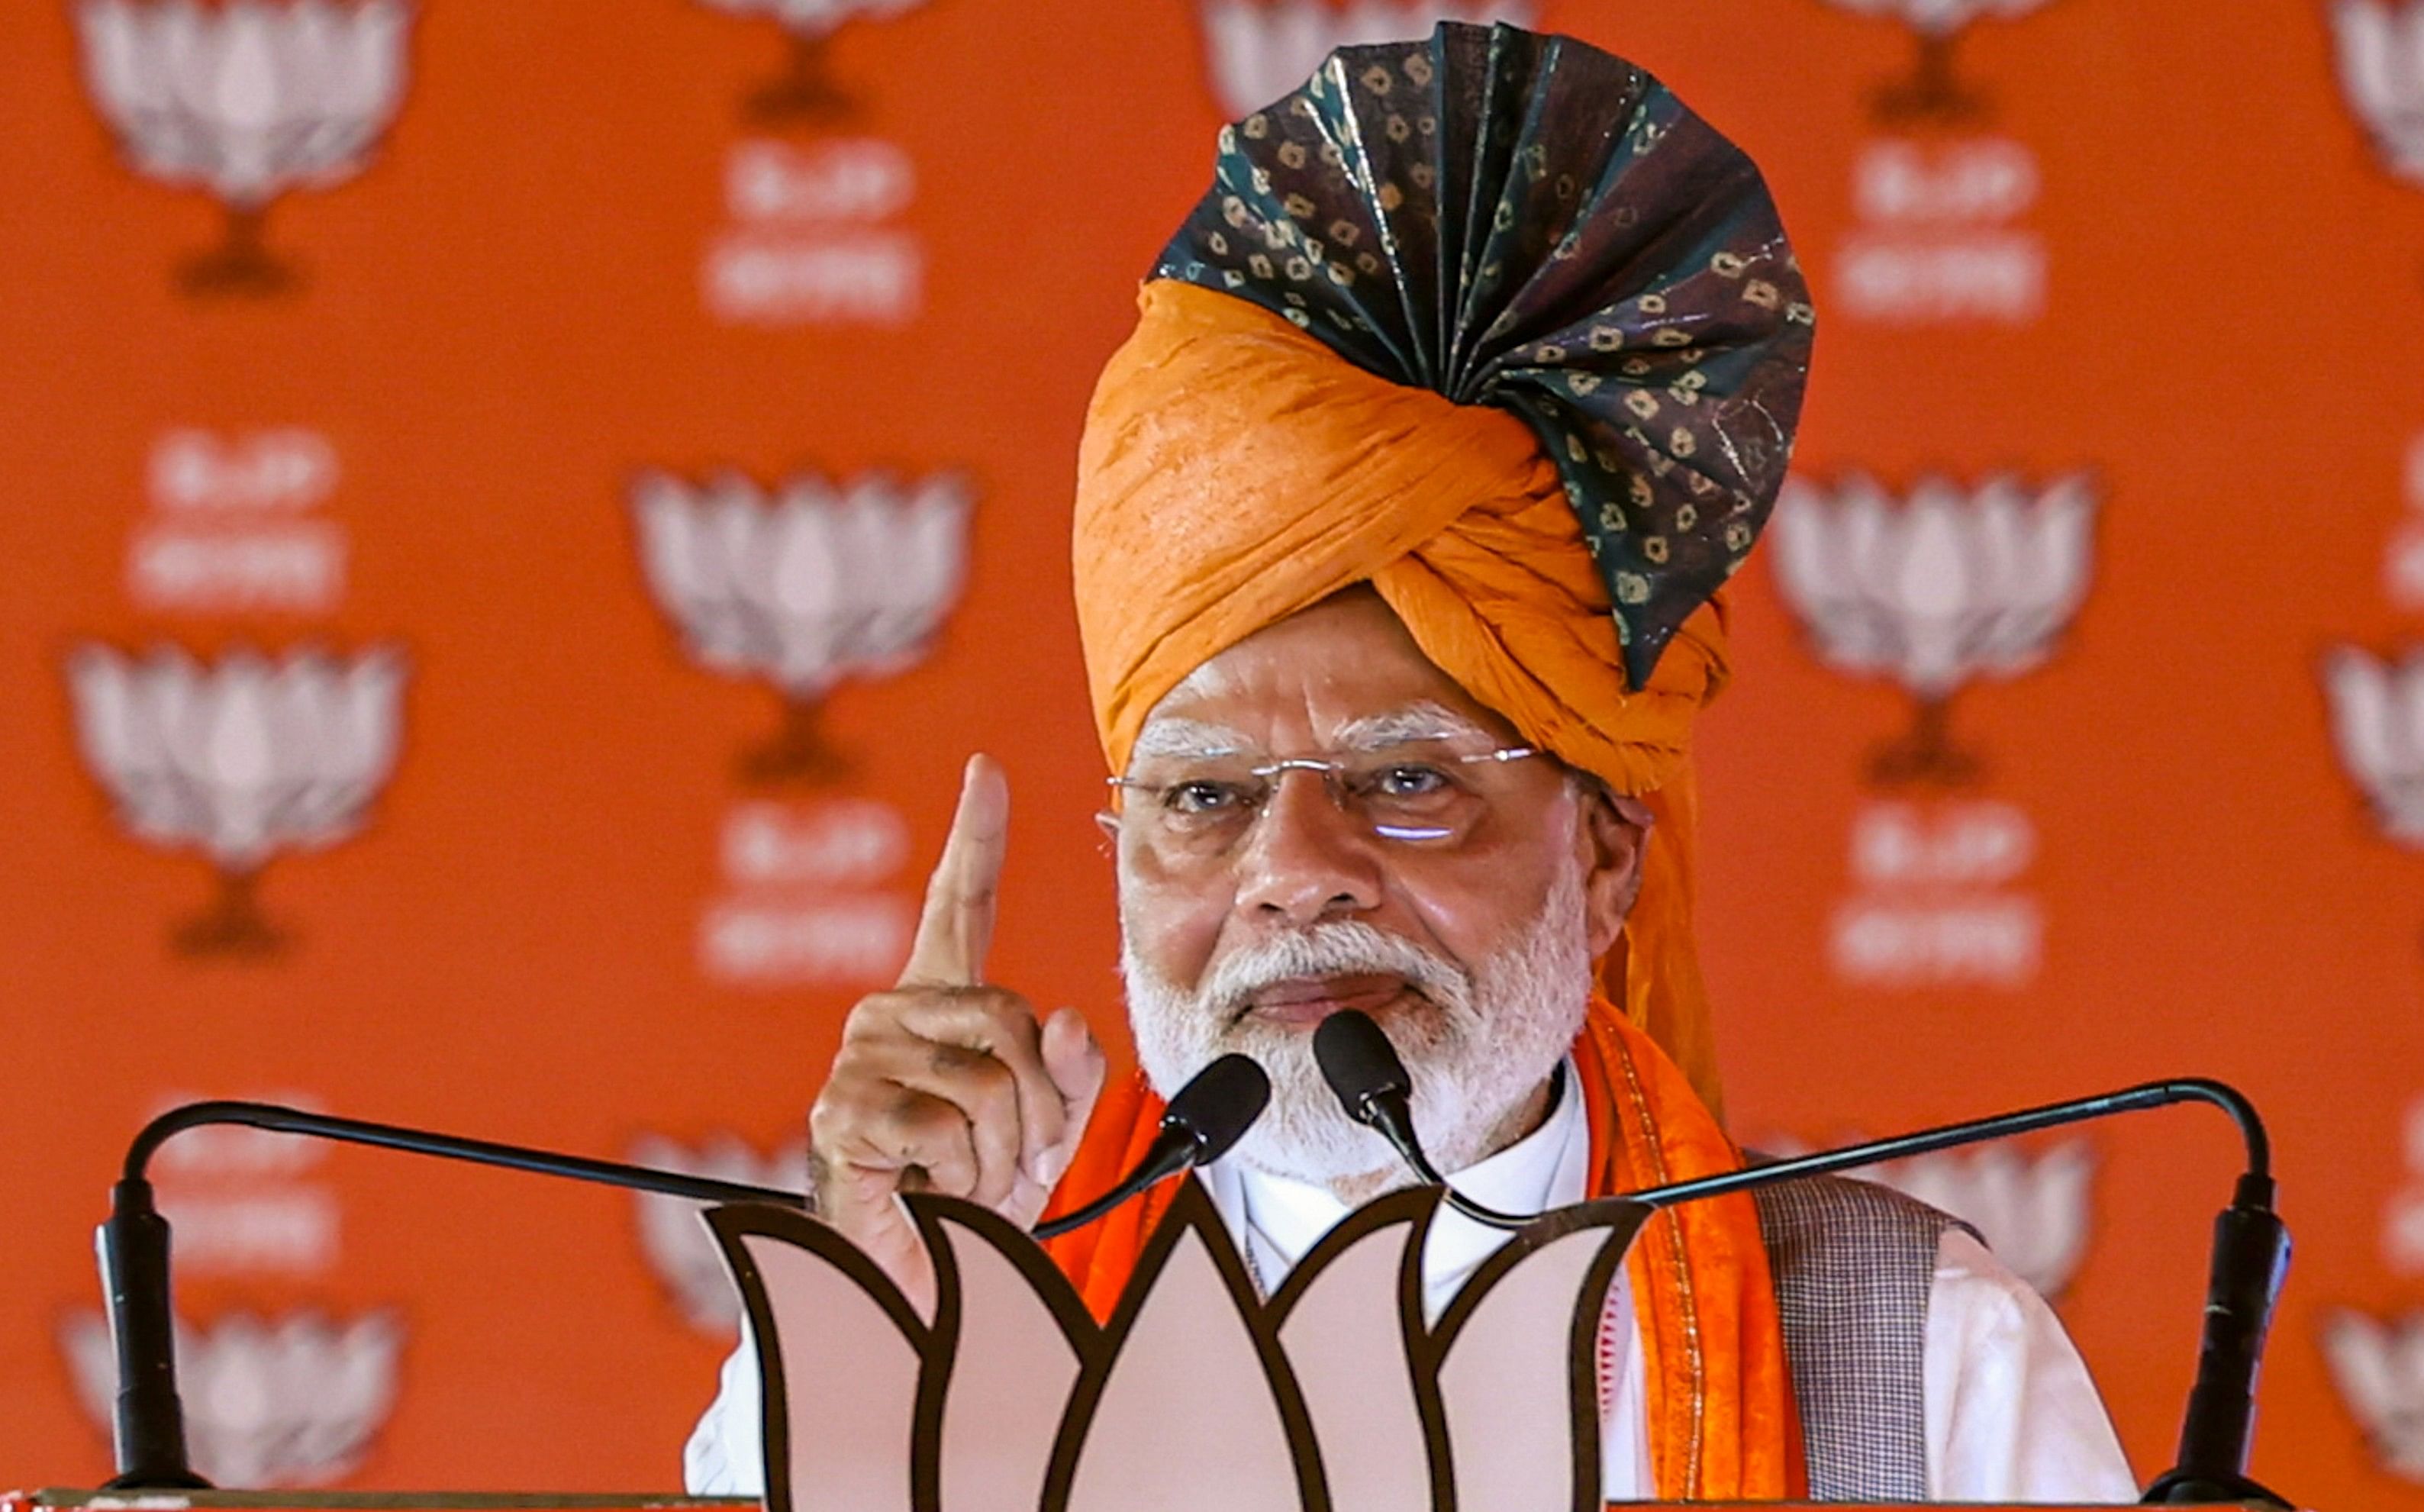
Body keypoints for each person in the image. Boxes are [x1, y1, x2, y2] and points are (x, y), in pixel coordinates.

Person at [689, 21, 2134, 1504]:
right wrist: (865, 1315)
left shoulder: (1923, 1360)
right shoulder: (957, 1307)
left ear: (1604, 848)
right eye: (1203, 795)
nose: (1296, 875)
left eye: (1403, 781)